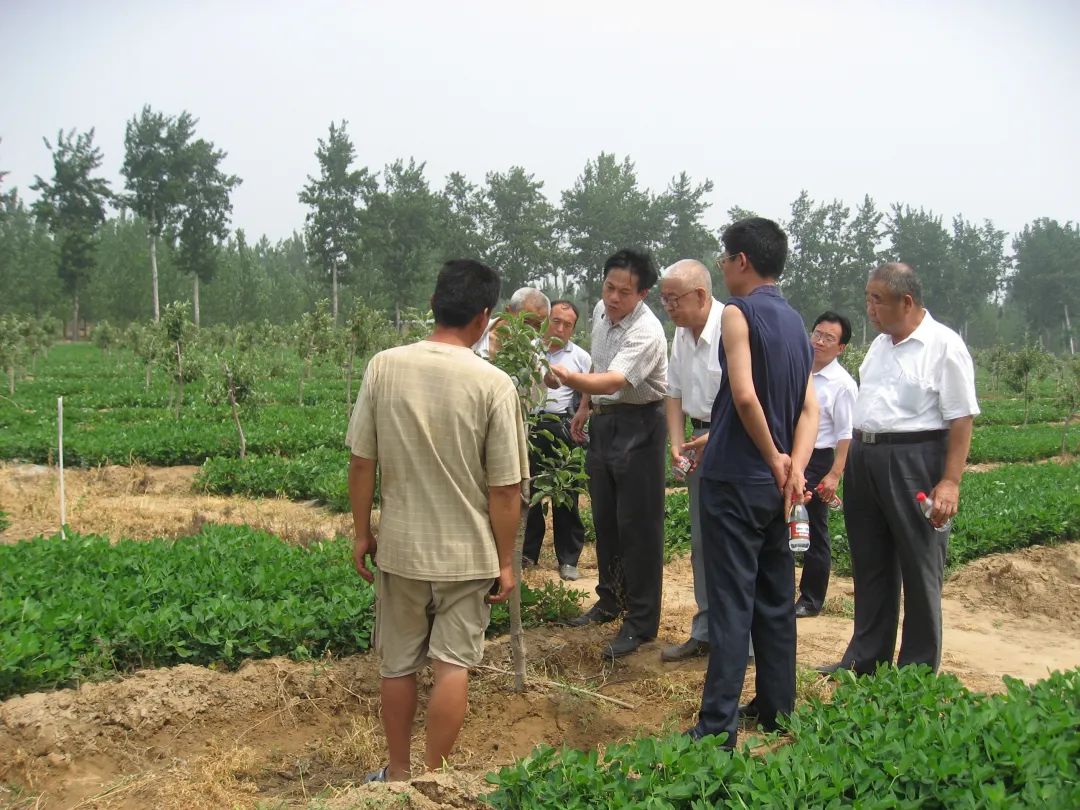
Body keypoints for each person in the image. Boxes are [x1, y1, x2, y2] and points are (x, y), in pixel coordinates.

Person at [347, 259, 529, 782]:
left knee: (398, 663)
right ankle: (434, 778)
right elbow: (505, 489)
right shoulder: (494, 384)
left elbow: (362, 461)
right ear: (485, 317)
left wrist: (363, 532)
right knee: (453, 665)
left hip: (401, 548)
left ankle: (399, 775)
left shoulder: (384, 365)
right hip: (467, 555)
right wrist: (505, 561)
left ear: (433, 305)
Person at [686, 217, 818, 749]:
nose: (722, 266)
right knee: (773, 595)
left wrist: (771, 458)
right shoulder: (795, 322)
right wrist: (793, 466)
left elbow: (743, 397)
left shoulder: (738, 314)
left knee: (731, 600)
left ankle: (717, 725)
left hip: (737, 480)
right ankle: (775, 707)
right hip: (775, 486)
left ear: (742, 261)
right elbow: (810, 406)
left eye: (724, 257)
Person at [818, 262, 978, 675]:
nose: (869, 308)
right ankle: (866, 659)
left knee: (920, 565)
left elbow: (961, 419)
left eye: (877, 300)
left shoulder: (944, 346)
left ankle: (917, 670)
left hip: (915, 459)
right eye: (868, 298)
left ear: (906, 302)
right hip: (865, 458)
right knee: (871, 564)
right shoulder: (879, 346)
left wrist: (950, 481)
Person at [550, 248, 668, 660]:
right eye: (609, 287)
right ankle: (610, 599)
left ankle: (641, 621)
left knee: (639, 526)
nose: (614, 297)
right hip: (604, 420)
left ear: (643, 294)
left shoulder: (647, 331)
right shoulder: (602, 312)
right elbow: (599, 367)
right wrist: (584, 405)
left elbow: (614, 378)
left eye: (624, 292)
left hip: (640, 426)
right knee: (606, 517)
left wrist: (568, 376)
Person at [657, 260, 724, 662]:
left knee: (732, 545)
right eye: (664, 299)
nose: (668, 307)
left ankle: (741, 638)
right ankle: (705, 630)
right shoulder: (681, 335)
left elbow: (750, 399)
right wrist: (678, 444)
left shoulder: (731, 328)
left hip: (731, 438)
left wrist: (712, 439)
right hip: (698, 440)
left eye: (673, 299)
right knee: (701, 543)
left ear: (700, 295)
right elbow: (674, 393)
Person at [795, 311, 859, 618]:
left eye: (828, 338)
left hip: (819, 460)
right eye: (817, 334)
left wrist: (835, 474)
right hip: (793, 453)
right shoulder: (798, 369)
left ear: (841, 347)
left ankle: (810, 599)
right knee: (785, 523)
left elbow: (847, 435)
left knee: (814, 531)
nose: (819, 341)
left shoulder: (842, 384)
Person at [523, 299, 591, 581]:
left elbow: (589, 388)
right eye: (556, 321)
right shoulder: (529, 350)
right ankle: (528, 553)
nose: (560, 328)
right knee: (528, 493)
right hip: (529, 425)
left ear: (573, 328)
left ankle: (568, 559)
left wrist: (584, 410)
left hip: (562, 426)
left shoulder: (580, 357)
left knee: (566, 493)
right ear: (546, 320)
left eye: (567, 324)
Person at [473, 286, 550, 359]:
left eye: (538, 326)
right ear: (507, 312)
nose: (530, 330)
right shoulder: (474, 332)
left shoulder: (532, 356)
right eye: (525, 322)